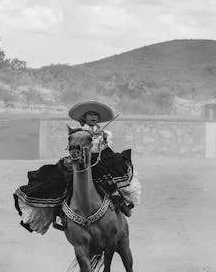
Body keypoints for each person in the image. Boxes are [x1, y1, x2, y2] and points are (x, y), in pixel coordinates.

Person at [13, 100, 139, 234]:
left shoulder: (104, 133)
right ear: (84, 117)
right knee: (62, 183)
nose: (93, 117)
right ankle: (59, 213)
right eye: (90, 114)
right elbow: (75, 143)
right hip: (81, 159)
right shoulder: (78, 131)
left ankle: (121, 204)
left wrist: (101, 137)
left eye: (96, 115)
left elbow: (105, 145)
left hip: (99, 160)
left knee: (112, 181)